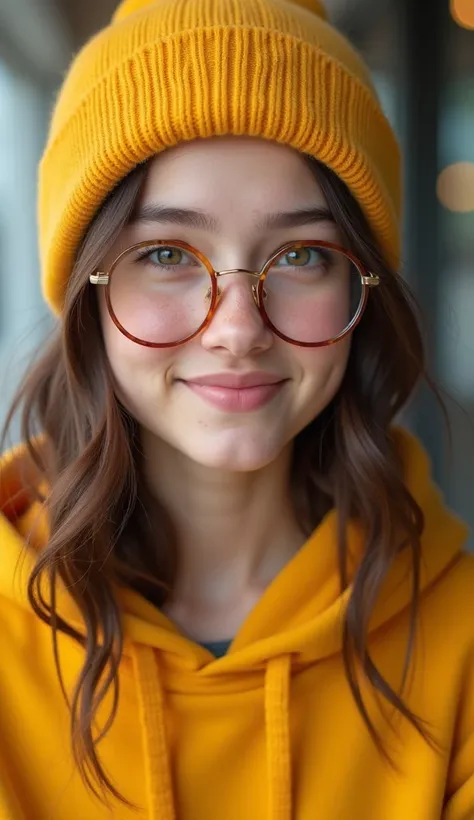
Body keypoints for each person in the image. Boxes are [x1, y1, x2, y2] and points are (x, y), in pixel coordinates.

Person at [0, 0, 473, 817]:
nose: (239, 330)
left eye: (301, 255)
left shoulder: (461, 640)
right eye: (164, 254)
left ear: (361, 285)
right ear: (86, 292)